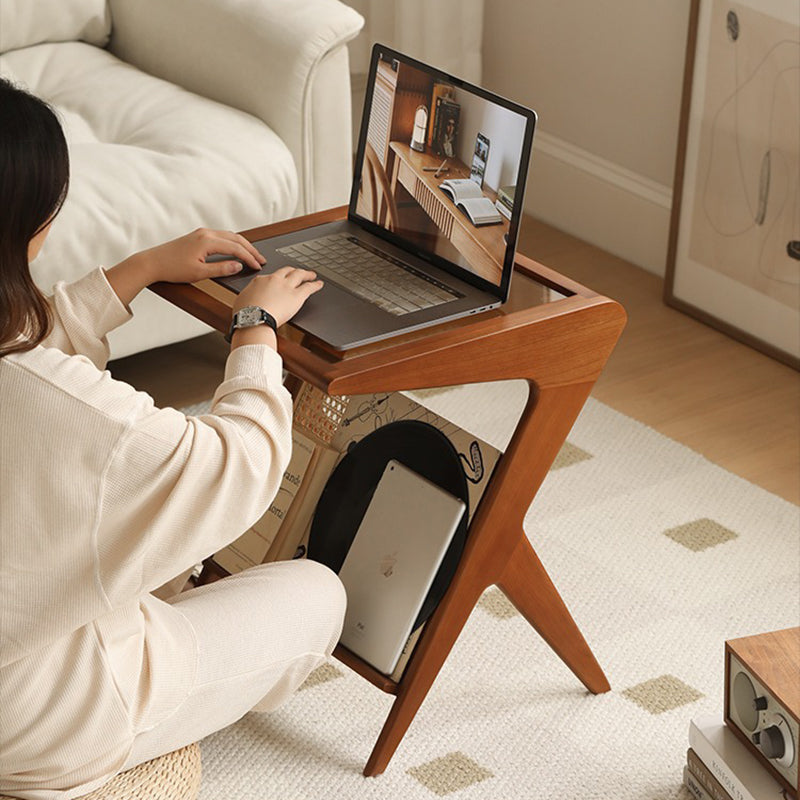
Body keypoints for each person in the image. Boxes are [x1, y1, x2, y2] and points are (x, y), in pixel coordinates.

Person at [0, 78, 346, 798]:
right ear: (32, 228)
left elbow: (25, 361)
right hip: (37, 722)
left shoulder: (30, 380)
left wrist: (141, 270)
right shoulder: (73, 413)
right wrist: (255, 331)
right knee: (317, 595)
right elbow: (239, 463)